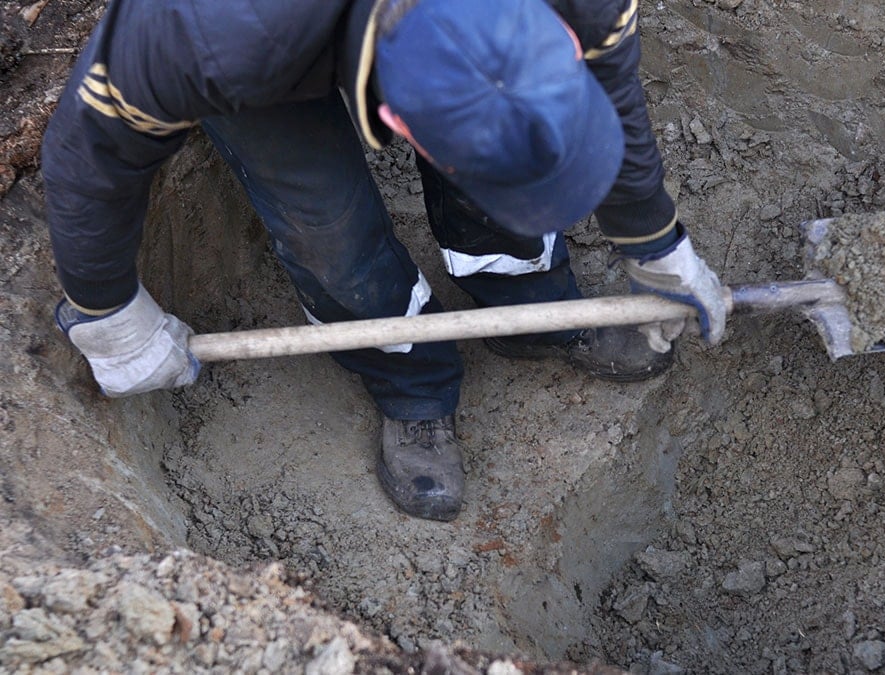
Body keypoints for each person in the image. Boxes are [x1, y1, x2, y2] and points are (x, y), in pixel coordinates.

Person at [41, 0, 726, 523]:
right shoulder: (209, 34)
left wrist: (658, 246)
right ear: (397, 127)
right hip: (270, 40)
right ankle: (410, 380)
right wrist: (108, 311)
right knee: (326, 226)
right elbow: (91, 149)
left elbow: (608, 79)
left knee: (507, 169)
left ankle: (533, 309)